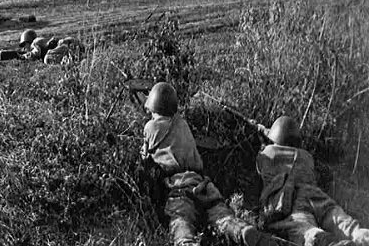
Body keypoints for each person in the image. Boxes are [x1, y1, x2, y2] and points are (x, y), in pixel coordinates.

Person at [141, 82, 277, 246]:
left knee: (181, 219)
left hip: (180, 187)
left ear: (152, 106)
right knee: (221, 216)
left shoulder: (151, 127)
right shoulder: (182, 124)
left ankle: (186, 242)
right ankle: (242, 230)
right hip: (203, 183)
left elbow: (145, 156)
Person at [256, 116, 369, 246]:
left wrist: (260, 133)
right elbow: (281, 138)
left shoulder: (268, 153)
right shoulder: (307, 157)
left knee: (303, 228)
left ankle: (328, 242)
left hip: (292, 198)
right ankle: (362, 236)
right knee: (344, 223)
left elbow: (262, 160)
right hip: (315, 195)